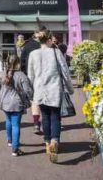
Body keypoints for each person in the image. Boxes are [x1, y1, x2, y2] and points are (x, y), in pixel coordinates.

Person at [27, 29, 74, 164]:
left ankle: (47, 143)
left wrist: (31, 93)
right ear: (49, 40)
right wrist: (70, 89)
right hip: (55, 90)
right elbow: (65, 71)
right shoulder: (56, 51)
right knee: (55, 117)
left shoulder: (33, 54)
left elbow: (30, 76)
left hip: (39, 91)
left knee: (45, 117)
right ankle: (55, 141)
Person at [0, 54, 33, 156]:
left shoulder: (2, 74)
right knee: (16, 125)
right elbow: (28, 90)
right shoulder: (22, 75)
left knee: (8, 121)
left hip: (5, 103)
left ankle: (10, 141)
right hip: (17, 103)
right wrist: (33, 97)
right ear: (18, 63)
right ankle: (15, 148)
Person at [19, 29, 42, 134]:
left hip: (32, 76)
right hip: (46, 78)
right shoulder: (48, 45)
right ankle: (43, 123)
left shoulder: (27, 46)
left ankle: (36, 123)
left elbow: (22, 61)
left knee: (35, 100)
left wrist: (25, 74)